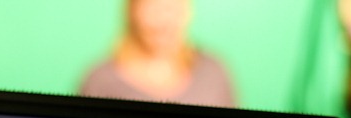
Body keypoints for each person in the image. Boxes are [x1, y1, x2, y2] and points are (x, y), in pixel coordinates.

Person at [79, 0, 236, 108]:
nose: (164, 19)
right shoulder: (100, 80)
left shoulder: (214, 74)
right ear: (132, 11)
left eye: (172, 6)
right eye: (152, 5)